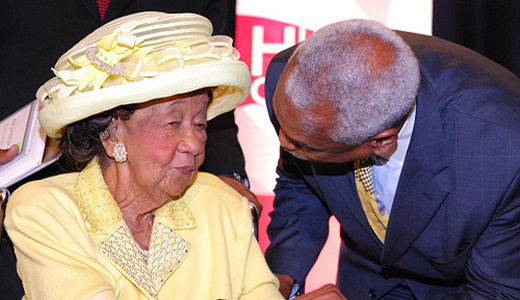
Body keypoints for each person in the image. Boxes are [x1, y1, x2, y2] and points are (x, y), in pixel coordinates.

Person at [4, 12, 280, 299]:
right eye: (173, 123)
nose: (195, 143)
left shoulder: (225, 206)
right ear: (111, 134)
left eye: (200, 123)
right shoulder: (45, 210)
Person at [264, 19, 520, 299]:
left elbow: (496, 292)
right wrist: (276, 283)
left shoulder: (504, 152)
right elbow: (301, 184)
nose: (283, 142)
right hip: (360, 276)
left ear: (382, 141)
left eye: (302, 144)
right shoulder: (289, 81)